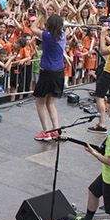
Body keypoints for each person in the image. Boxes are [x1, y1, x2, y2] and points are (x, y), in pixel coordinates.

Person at [33, 14, 67, 142]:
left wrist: (40, 15)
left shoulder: (47, 36)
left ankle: (46, 132)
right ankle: (56, 130)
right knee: (51, 103)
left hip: (47, 72)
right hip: (59, 72)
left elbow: (33, 28)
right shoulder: (63, 35)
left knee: (40, 102)